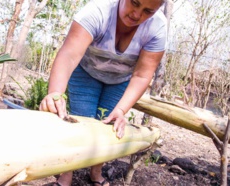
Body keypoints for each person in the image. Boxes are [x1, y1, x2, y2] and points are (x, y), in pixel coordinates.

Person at [39, 0, 167, 185]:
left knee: (108, 125)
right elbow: (69, 54)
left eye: (147, 11)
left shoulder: (157, 28)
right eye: (134, 3)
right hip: (86, 72)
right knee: (80, 120)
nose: (137, 15)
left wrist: (121, 110)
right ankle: (66, 173)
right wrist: (55, 93)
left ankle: (96, 172)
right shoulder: (98, 10)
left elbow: (141, 75)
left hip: (120, 81)